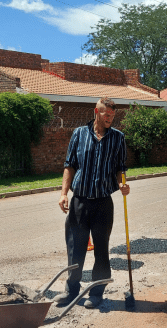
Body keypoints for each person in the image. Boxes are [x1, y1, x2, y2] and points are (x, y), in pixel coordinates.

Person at [56, 97, 129, 309]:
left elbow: (120, 168)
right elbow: (69, 165)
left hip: (103, 203)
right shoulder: (79, 134)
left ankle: (97, 293)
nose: (110, 119)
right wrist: (63, 194)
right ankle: (71, 291)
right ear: (96, 112)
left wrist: (122, 184)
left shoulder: (118, 138)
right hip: (79, 202)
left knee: (101, 250)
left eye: (113, 116)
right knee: (75, 248)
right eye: (107, 115)